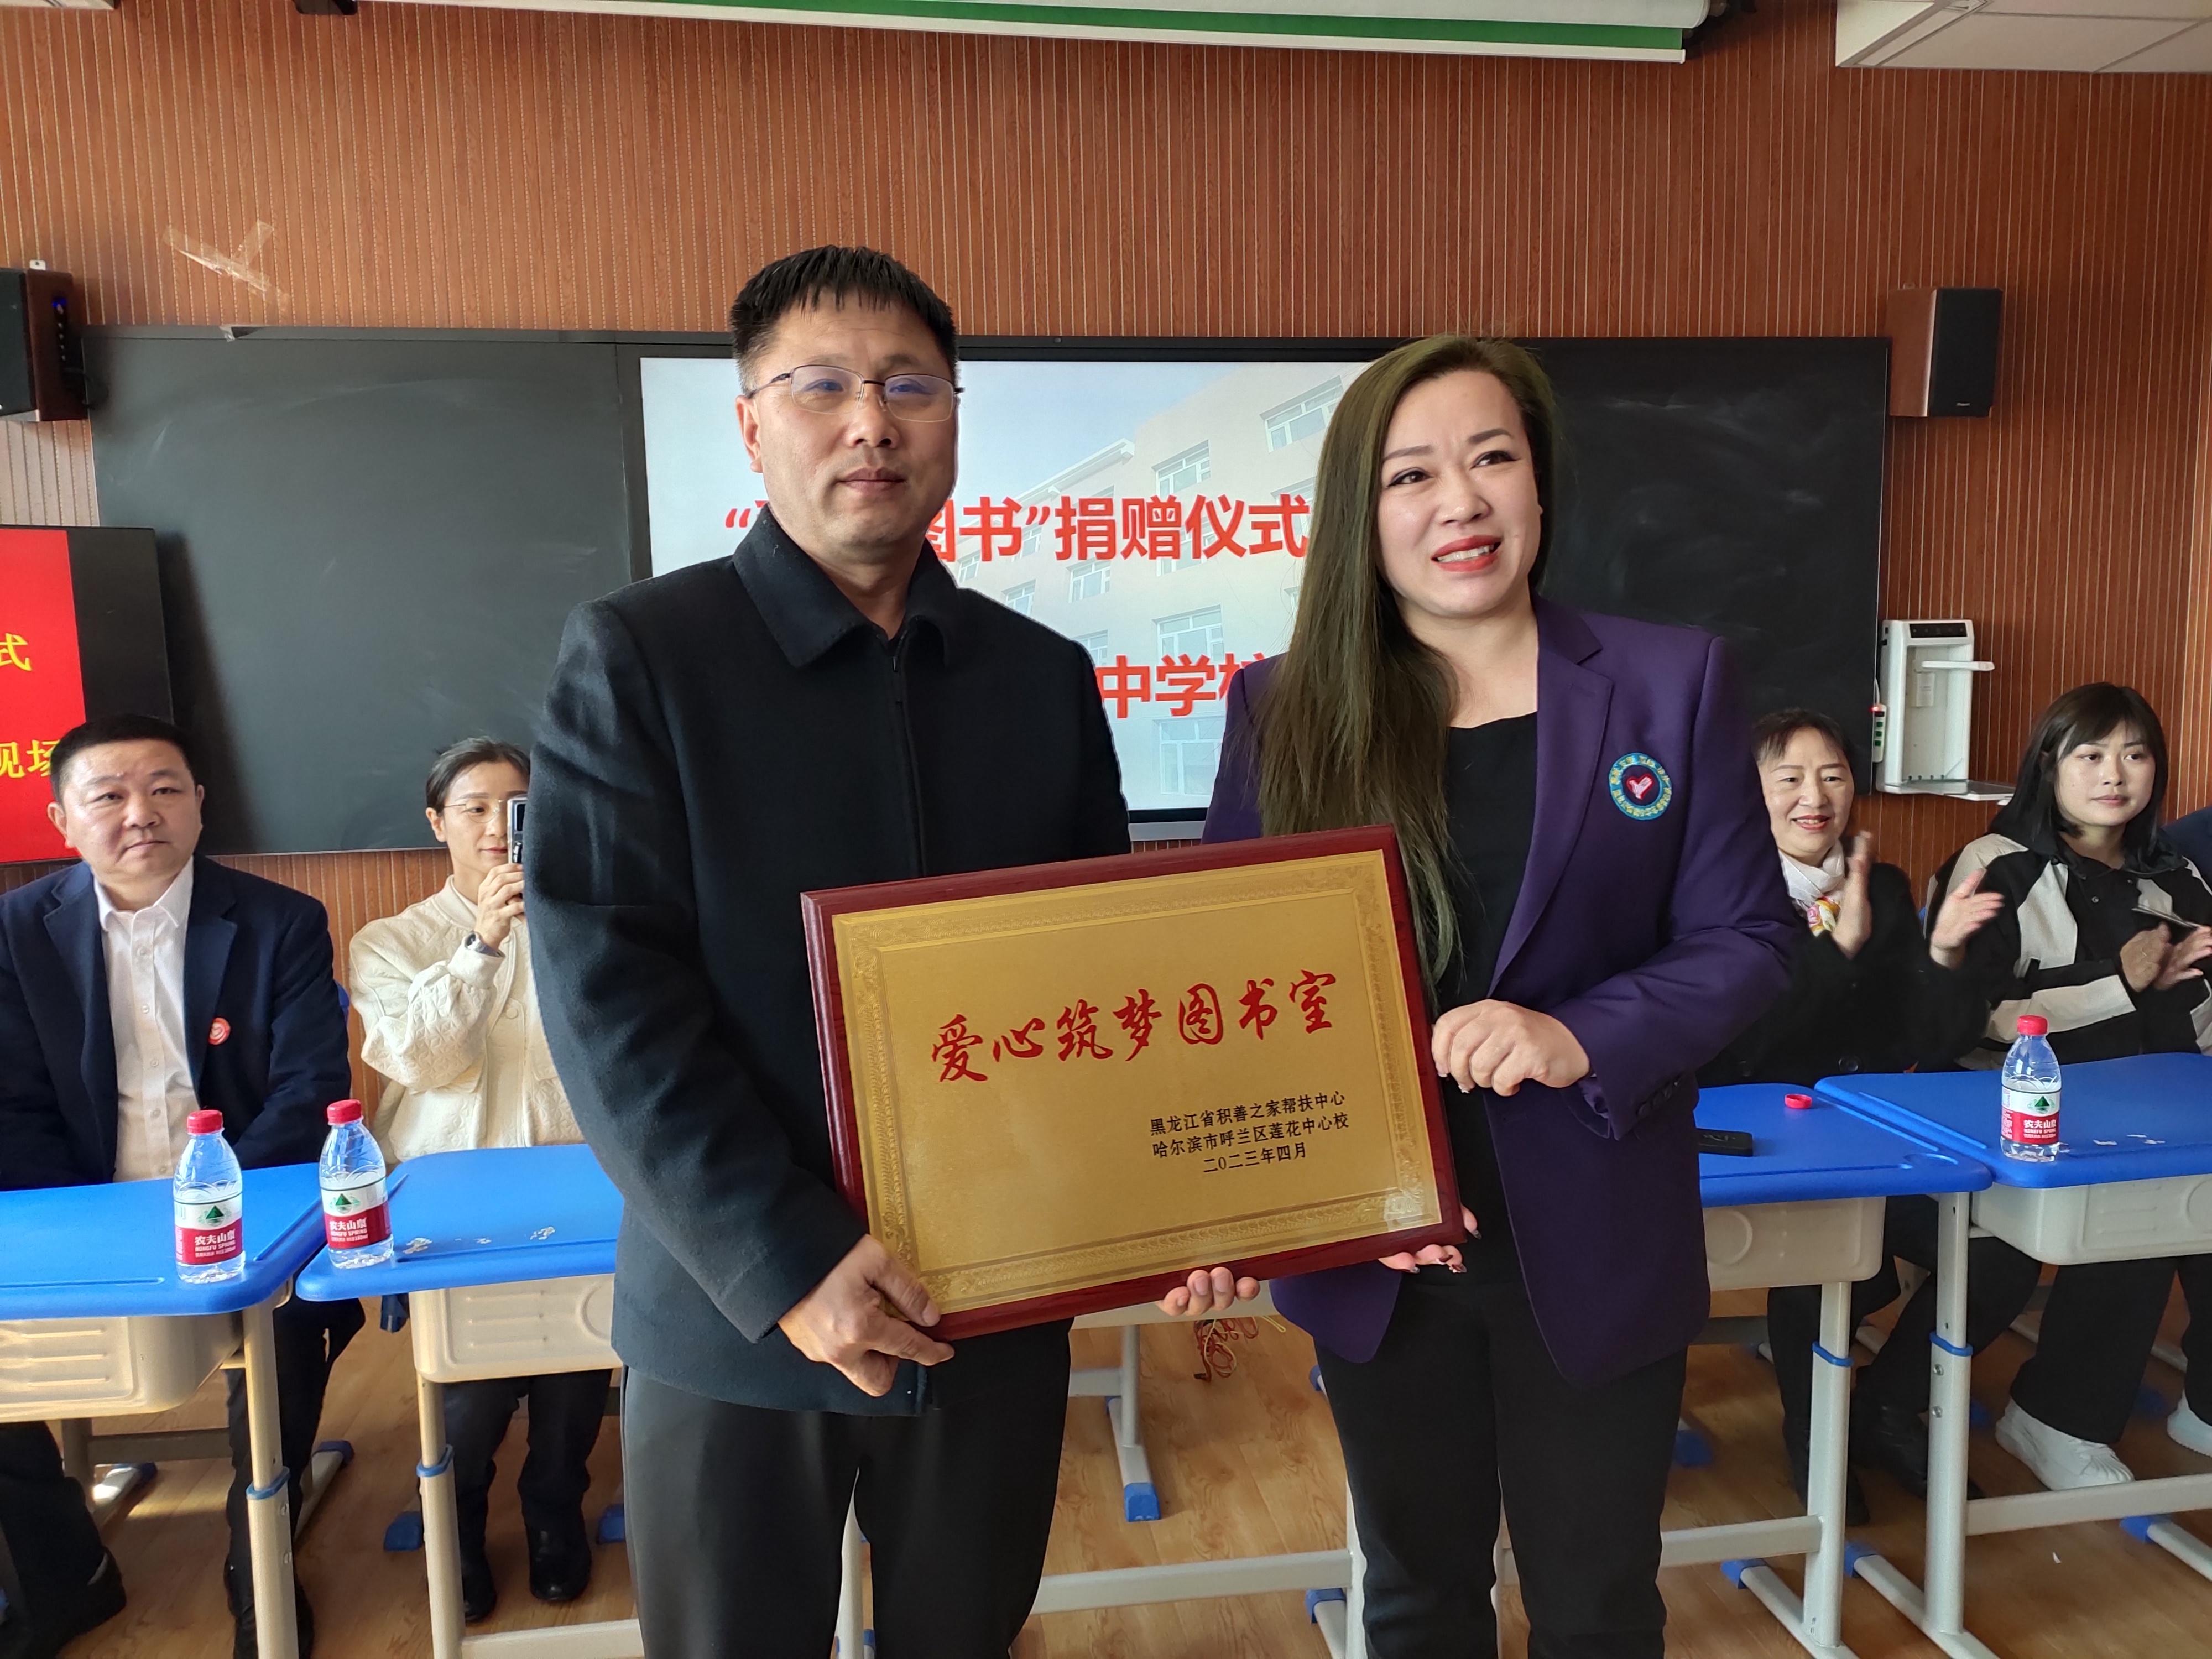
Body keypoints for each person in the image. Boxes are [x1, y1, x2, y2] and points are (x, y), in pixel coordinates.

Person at [525, 246, 1129, 1657]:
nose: (872, 423)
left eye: (910, 387)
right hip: (738, 1319)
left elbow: (1097, 980)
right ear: (752, 425)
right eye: (823, 387)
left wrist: (1178, 1204)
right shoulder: (640, 656)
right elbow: (610, 1000)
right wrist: (790, 1260)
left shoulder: (1039, 678)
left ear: (953, 419)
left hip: (989, 1310)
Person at [1171, 334, 1799, 1658]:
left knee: (1596, 1605)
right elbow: (1227, 983)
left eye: (1490, 458)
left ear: (1539, 483)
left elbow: (1745, 938)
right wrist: (1266, 1198)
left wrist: (1576, 1033)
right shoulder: (1284, 708)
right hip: (1379, 1250)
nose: (1457, 501)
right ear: (1359, 513)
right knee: (1414, 1597)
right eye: (1410, 474)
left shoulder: (1667, 682)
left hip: (1595, 1227)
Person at [0, 713, 359, 1659]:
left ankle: (257, 1561)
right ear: (62, 820)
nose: (140, 814)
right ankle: (62, 1572)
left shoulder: (282, 921)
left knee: (286, 1327)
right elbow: (13, 1109)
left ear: (200, 802)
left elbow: (307, 1093)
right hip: (80, 1214)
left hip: (248, 1213)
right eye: (109, 795)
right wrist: (95, 1238)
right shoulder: (13, 934)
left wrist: (213, 1217)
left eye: (164, 789)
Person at [1700, 708, 2032, 1520]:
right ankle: (1816, 1441)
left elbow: (1924, 1039)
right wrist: (1837, 951)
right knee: (1833, 1266)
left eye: (1834, 776)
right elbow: (1737, 1047)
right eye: (1789, 779)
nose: (1815, 798)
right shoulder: (1715, 894)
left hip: (1873, 1135)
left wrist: (1942, 955)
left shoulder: (1878, 885)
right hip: (1761, 1140)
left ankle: (1885, 1406)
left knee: (2001, 1254)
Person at [348, 738, 604, 1622]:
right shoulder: (391, 940)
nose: (499, 825)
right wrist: (483, 941)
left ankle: (553, 1509)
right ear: (437, 822)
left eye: (518, 806)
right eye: (475, 807)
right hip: (453, 1198)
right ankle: (453, 1522)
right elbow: (421, 1060)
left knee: (576, 1366)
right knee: (469, 1391)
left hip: (574, 1181)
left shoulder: (585, 921)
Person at [1939, 684, 2212, 1489]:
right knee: (2139, 1197)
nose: (2114, 775)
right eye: (2090, 755)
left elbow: (2196, 1004)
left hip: (2164, 1101)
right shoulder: (1997, 865)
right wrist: (2116, 983)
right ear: (2048, 766)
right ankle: (2057, 1416)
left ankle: (2206, 1404)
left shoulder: (2177, 874)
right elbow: (1973, 1018)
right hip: (2027, 1116)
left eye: (2135, 754)